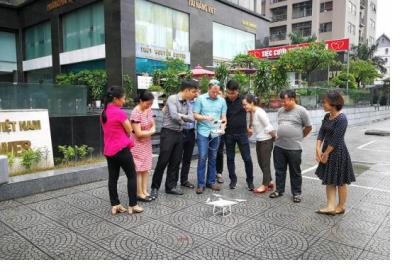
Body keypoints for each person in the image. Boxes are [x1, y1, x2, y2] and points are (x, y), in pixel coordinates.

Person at [150, 80, 199, 199]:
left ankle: (170, 187)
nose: (195, 94)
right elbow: (173, 115)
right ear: (186, 90)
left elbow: (192, 118)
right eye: (193, 92)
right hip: (168, 133)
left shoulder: (188, 102)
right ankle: (154, 187)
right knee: (163, 161)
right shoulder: (172, 98)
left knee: (176, 161)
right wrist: (183, 118)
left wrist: (181, 117)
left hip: (179, 133)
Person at [100, 86, 143, 215]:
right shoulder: (119, 112)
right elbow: (129, 129)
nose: (124, 101)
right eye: (123, 98)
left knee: (113, 178)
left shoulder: (103, 112)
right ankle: (133, 205)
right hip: (121, 149)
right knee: (132, 176)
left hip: (109, 150)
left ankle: (115, 204)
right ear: (115, 99)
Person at [315, 91, 356, 215]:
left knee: (340, 181)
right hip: (327, 150)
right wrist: (317, 149)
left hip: (338, 152)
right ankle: (330, 206)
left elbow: (336, 139)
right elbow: (321, 133)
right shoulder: (327, 116)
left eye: (325, 102)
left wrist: (325, 153)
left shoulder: (342, 118)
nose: (323, 104)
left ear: (333, 103)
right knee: (329, 179)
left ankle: (341, 206)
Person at [270, 89, 312, 203]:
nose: (283, 104)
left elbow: (308, 127)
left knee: (295, 171)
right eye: (281, 101)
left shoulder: (302, 111)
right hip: (279, 146)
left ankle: (297, 193)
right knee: (279, 170)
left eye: (285, 101)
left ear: (293, 99)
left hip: (294, 148)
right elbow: (280, 125)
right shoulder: (280, 111)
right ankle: (279, 190)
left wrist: (299, 137)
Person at [193, 79, 227, 194]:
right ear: (209, 88)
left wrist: (222, 128)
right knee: (202, 156)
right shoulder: (200, 99)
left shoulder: (222, 101)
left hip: (215, 132)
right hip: (203, 131)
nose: (215, 94)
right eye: (213, 91)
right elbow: (195, 115)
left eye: (217, 92)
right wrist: (205, 118)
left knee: (213, 157)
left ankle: (211, 181)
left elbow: (223, 117)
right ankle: (201, 184)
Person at [224, 80, 254, 190]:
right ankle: (233, 180)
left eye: (233, 93)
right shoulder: (224, 100)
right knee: (230, 158)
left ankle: (250, 181)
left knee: (247, 158)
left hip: (242, 133)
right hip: (228, 134)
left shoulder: (243, 99)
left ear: (237, 91)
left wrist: (251, 126)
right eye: (229, 92)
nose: (231, 95)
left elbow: (251, 111)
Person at [242, 94, 275, 193]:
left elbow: (269, 126)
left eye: (245, 104)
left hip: (266, 141)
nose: (244, 107)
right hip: (260, 140)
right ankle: (269, 181)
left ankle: (264, 185)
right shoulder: (253, 112)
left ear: (251, 103)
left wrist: (275, 138)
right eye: (243, 105)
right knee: (261, 163)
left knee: (265, 164)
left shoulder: (260, 112)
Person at [130, 90, 156, 202]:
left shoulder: (148, 109)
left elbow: (153, 124)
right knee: (139, 169)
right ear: (141, 101)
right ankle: (139, 193)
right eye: (147, 103)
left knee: (146, 168)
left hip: (146, 143)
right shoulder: (135, 113)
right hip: (137, 144)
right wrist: (151, 131)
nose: (149, 106)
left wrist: (150, 130)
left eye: (151, 104)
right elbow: (139, 134)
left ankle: (145, 191)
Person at [179, 97, 198, 189]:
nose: (195, 93)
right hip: (180, 131)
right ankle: (172, 182)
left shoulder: (197, 102)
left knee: (187, 158)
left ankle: (184, 180)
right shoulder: (180, 101)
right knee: (176, 158)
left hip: (191, 132)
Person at [216, 90, 226, 184]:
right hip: (210, 131)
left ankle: (219, 173)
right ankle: (211, 173)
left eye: (219, 94)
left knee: (219, 152)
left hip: (221, 131)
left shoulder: (224, 105)